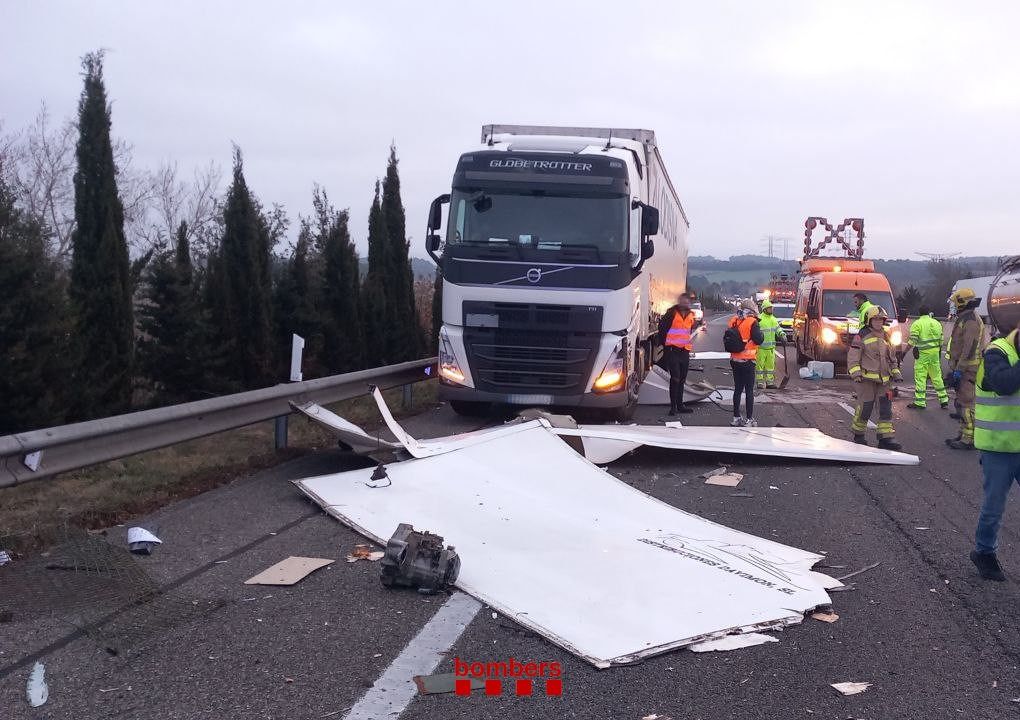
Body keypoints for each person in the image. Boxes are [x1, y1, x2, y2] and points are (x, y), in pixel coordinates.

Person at [969, 319, 1020, 581]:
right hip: (998, 447)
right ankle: (984, 552)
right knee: (994, 506)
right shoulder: (997, 351)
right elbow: (1003, 384)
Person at [847, 305, 903, 450]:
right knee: (865, 408)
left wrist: (896, 372)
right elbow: (853, 356)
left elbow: (892, 357)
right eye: (875, 319)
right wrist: (856, 373)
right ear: (869, 321)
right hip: (866, 379)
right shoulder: (862, 335)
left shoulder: (886, 336)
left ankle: (886, 438)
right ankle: (858, 435)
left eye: (881, 319)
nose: (878, 322)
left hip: (884, 380)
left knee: (885, 408)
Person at [945, 288, 985, 450]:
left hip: (968, 369)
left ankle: (969, 439)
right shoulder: (964, 318)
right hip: (963, 368)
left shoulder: (971, 321)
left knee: (967, 403)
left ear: (962, 303)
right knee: (961, 402)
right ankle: (963, 433)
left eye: (955, 303)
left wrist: (959, 369)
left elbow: (969, 348)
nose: (953, 307)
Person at [658, 293, 698, 416]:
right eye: (684, 301)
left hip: (684, 351)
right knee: (675, 378)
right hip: (672, 350)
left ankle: (681, 405)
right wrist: (666, 346)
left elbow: (690, 330)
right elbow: (662, 329)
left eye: (688, 302)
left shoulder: (691, 315)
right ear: (680, 301)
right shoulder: (671, 313)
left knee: (682, 379)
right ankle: (673, 406)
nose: (686, 304)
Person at [728, 299, 764, 426]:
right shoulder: (752, 322)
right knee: (749, 390)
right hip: (748, 361)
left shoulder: (735, 321)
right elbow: (759, 339)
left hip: (734, 360)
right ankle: (749, 419)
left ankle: (736, 417)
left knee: (737, 389)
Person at [906, 305, 949, 410]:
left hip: (923, 355)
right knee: (937, 377)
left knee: (920, 377)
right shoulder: (937, 323)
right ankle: (944, 400)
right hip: (934, 354)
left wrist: (903, 352)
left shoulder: (917, 324)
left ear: (919, 313)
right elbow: (941, 341)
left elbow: (912, 341)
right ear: (929, 312)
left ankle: (920, 402)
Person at [755, 299, 783, 389]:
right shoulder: (759, 319)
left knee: (770, 367)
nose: (771, 310)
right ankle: (760, 382)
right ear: (764, 309)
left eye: (771, 308)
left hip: (771, 348)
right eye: (769, 308)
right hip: (761, 348)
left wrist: (782, 335)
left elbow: (778, 329)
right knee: (760, 366)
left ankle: (769, 383)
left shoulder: (773, 320)